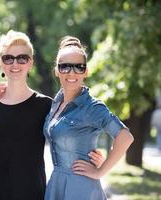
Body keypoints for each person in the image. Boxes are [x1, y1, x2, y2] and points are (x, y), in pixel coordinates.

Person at [0, 30, 104, 200]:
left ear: (30, 63)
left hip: (32, 192)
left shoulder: (46, 105)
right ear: (1, 62)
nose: (15, 63)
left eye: (22, 58)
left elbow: (70, 134)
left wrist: (93, 156)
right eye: (8, 58)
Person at [43, 36, 134, 200]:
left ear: (86, 71)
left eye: (78, 67)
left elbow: (125, 137)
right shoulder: (55, 104)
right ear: (56, 70)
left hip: (81, 188)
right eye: (65, 67)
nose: (71, 73)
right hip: (56, 183)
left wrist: (101, 170)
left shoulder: (92, 107)